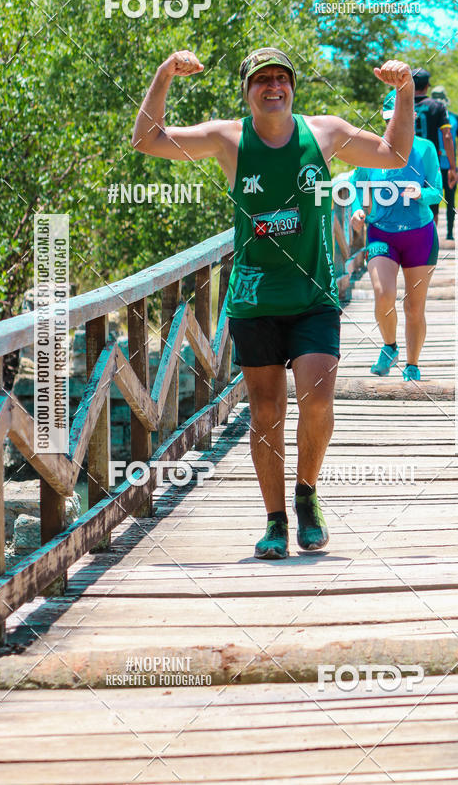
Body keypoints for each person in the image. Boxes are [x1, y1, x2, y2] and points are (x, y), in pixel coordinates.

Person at [132, 47, 414, 560]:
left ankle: (306, 494)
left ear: (292, 87)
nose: (273, 87)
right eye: (262, 80)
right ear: (247, 89)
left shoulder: (324, 133)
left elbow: (394, 155)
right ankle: (275, 521)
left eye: (281, 78)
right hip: (254, 298)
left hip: (313, 295)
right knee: (265, 414)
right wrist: (163, 73)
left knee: (318, 403)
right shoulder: (229, 139)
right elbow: (146, 140)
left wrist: (404, 91)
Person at [350, 89, 442, 382]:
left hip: (420, 236)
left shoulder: (425, 149)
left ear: (413, 117)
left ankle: (412, 365)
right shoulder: (371, 150)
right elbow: (355, 185)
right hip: (381, 234)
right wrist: (356, 210)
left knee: (414, 307)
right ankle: (390, 346)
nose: (397, 126)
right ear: (384, 119)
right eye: (391, 120)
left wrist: (421, 193)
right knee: (382, 294)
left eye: (402, 119)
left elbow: (437, 190)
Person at [412, 68, 457, 229]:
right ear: (427, 86)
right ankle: (430, 242)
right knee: (432, 202)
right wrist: (452, 166)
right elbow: (447, 136)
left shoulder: (401, 104)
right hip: (430, 161)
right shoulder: (437, 106)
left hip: (405, 160)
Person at [431, 85, 458, 243]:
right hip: (450, 165)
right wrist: (457, 167)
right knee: (451, 200)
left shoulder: (428, 117)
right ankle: (450, 233)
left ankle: (433, 234)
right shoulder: (455, 119)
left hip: (433, 166)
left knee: (433, 200)